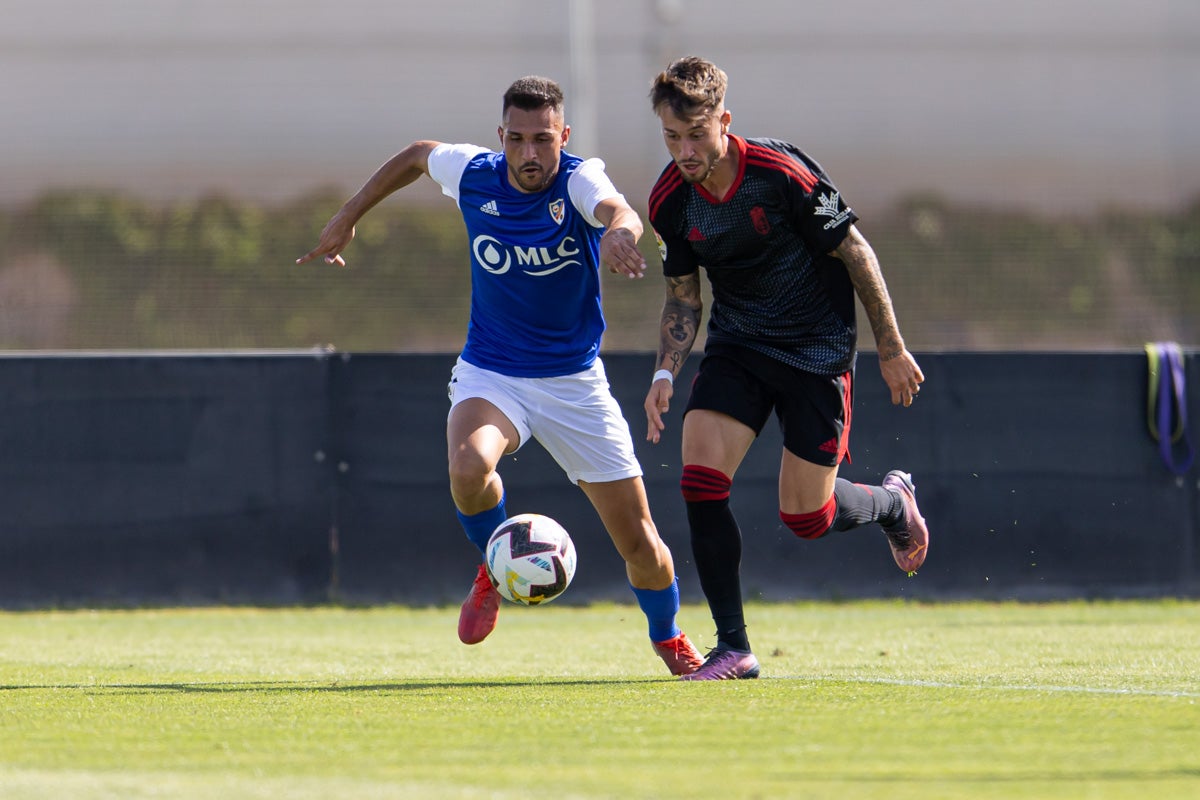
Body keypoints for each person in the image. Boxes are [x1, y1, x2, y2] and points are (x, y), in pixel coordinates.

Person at [298, 76, 704, 676]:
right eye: (517, 139)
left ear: (562, 137)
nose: (529, 153)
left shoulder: (578, 177)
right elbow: (416, 155)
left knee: (641, 543)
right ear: (502, 137)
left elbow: (616, 209)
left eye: (543, 140)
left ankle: (669, 637)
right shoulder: (476, 173)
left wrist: (619, 231)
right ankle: (494, 565)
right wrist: (349, 214)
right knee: (468, 468)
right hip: (493, 372)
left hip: (574, 384)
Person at [642, 57, 930, 681]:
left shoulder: (780, 173)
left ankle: (891, 504)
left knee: (807, 519)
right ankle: (733, 647)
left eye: (696, 134)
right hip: (739, 344)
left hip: (816, 351)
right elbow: (684, 295)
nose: (684, 151)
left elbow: (855, 249)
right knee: (699, 473)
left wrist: (890, 347)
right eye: (671, 136)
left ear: (724, 121)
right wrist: (665, 372)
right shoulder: (669, 200)